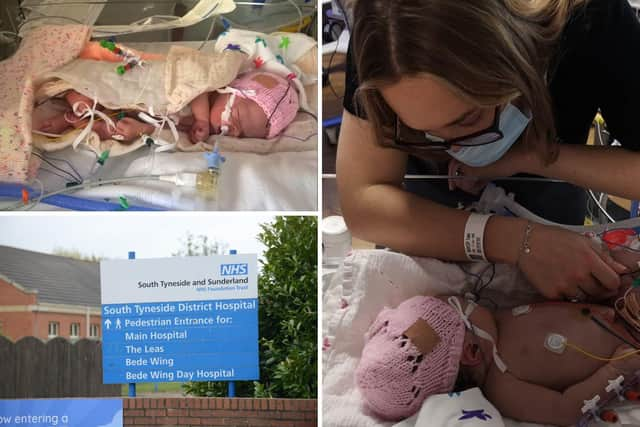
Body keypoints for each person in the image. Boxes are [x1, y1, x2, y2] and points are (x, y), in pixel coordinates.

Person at [336, 0, 640, 301]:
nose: (452, 148)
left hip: (551, 195)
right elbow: (364, 204)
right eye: (416, 128)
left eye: (466, 118)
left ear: (523, 58)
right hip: (421, 212)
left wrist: (537, 157)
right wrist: (514, 241)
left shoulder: (594, 18)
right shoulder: (383, 29)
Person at [355, 293, 640, 425]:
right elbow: (565, 410)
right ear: (472, 352)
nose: (464, 295)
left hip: (624, 307)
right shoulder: (504, 387)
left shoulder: (498, 321)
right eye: (459, 303)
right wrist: (617, 370)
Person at [36, 42, 299, 142]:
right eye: (236, 118)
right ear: (230, 89)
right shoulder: (207, 86)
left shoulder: (199, 132)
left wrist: (145, 131)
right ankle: (78, 101)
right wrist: (202, 120)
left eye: (240, 133)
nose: (230, 129)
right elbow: (194, 83)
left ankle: (81, 122)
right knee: (92, 86)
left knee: (117, 126)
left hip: (145, 112)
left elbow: (169, 130)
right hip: (148, 83)